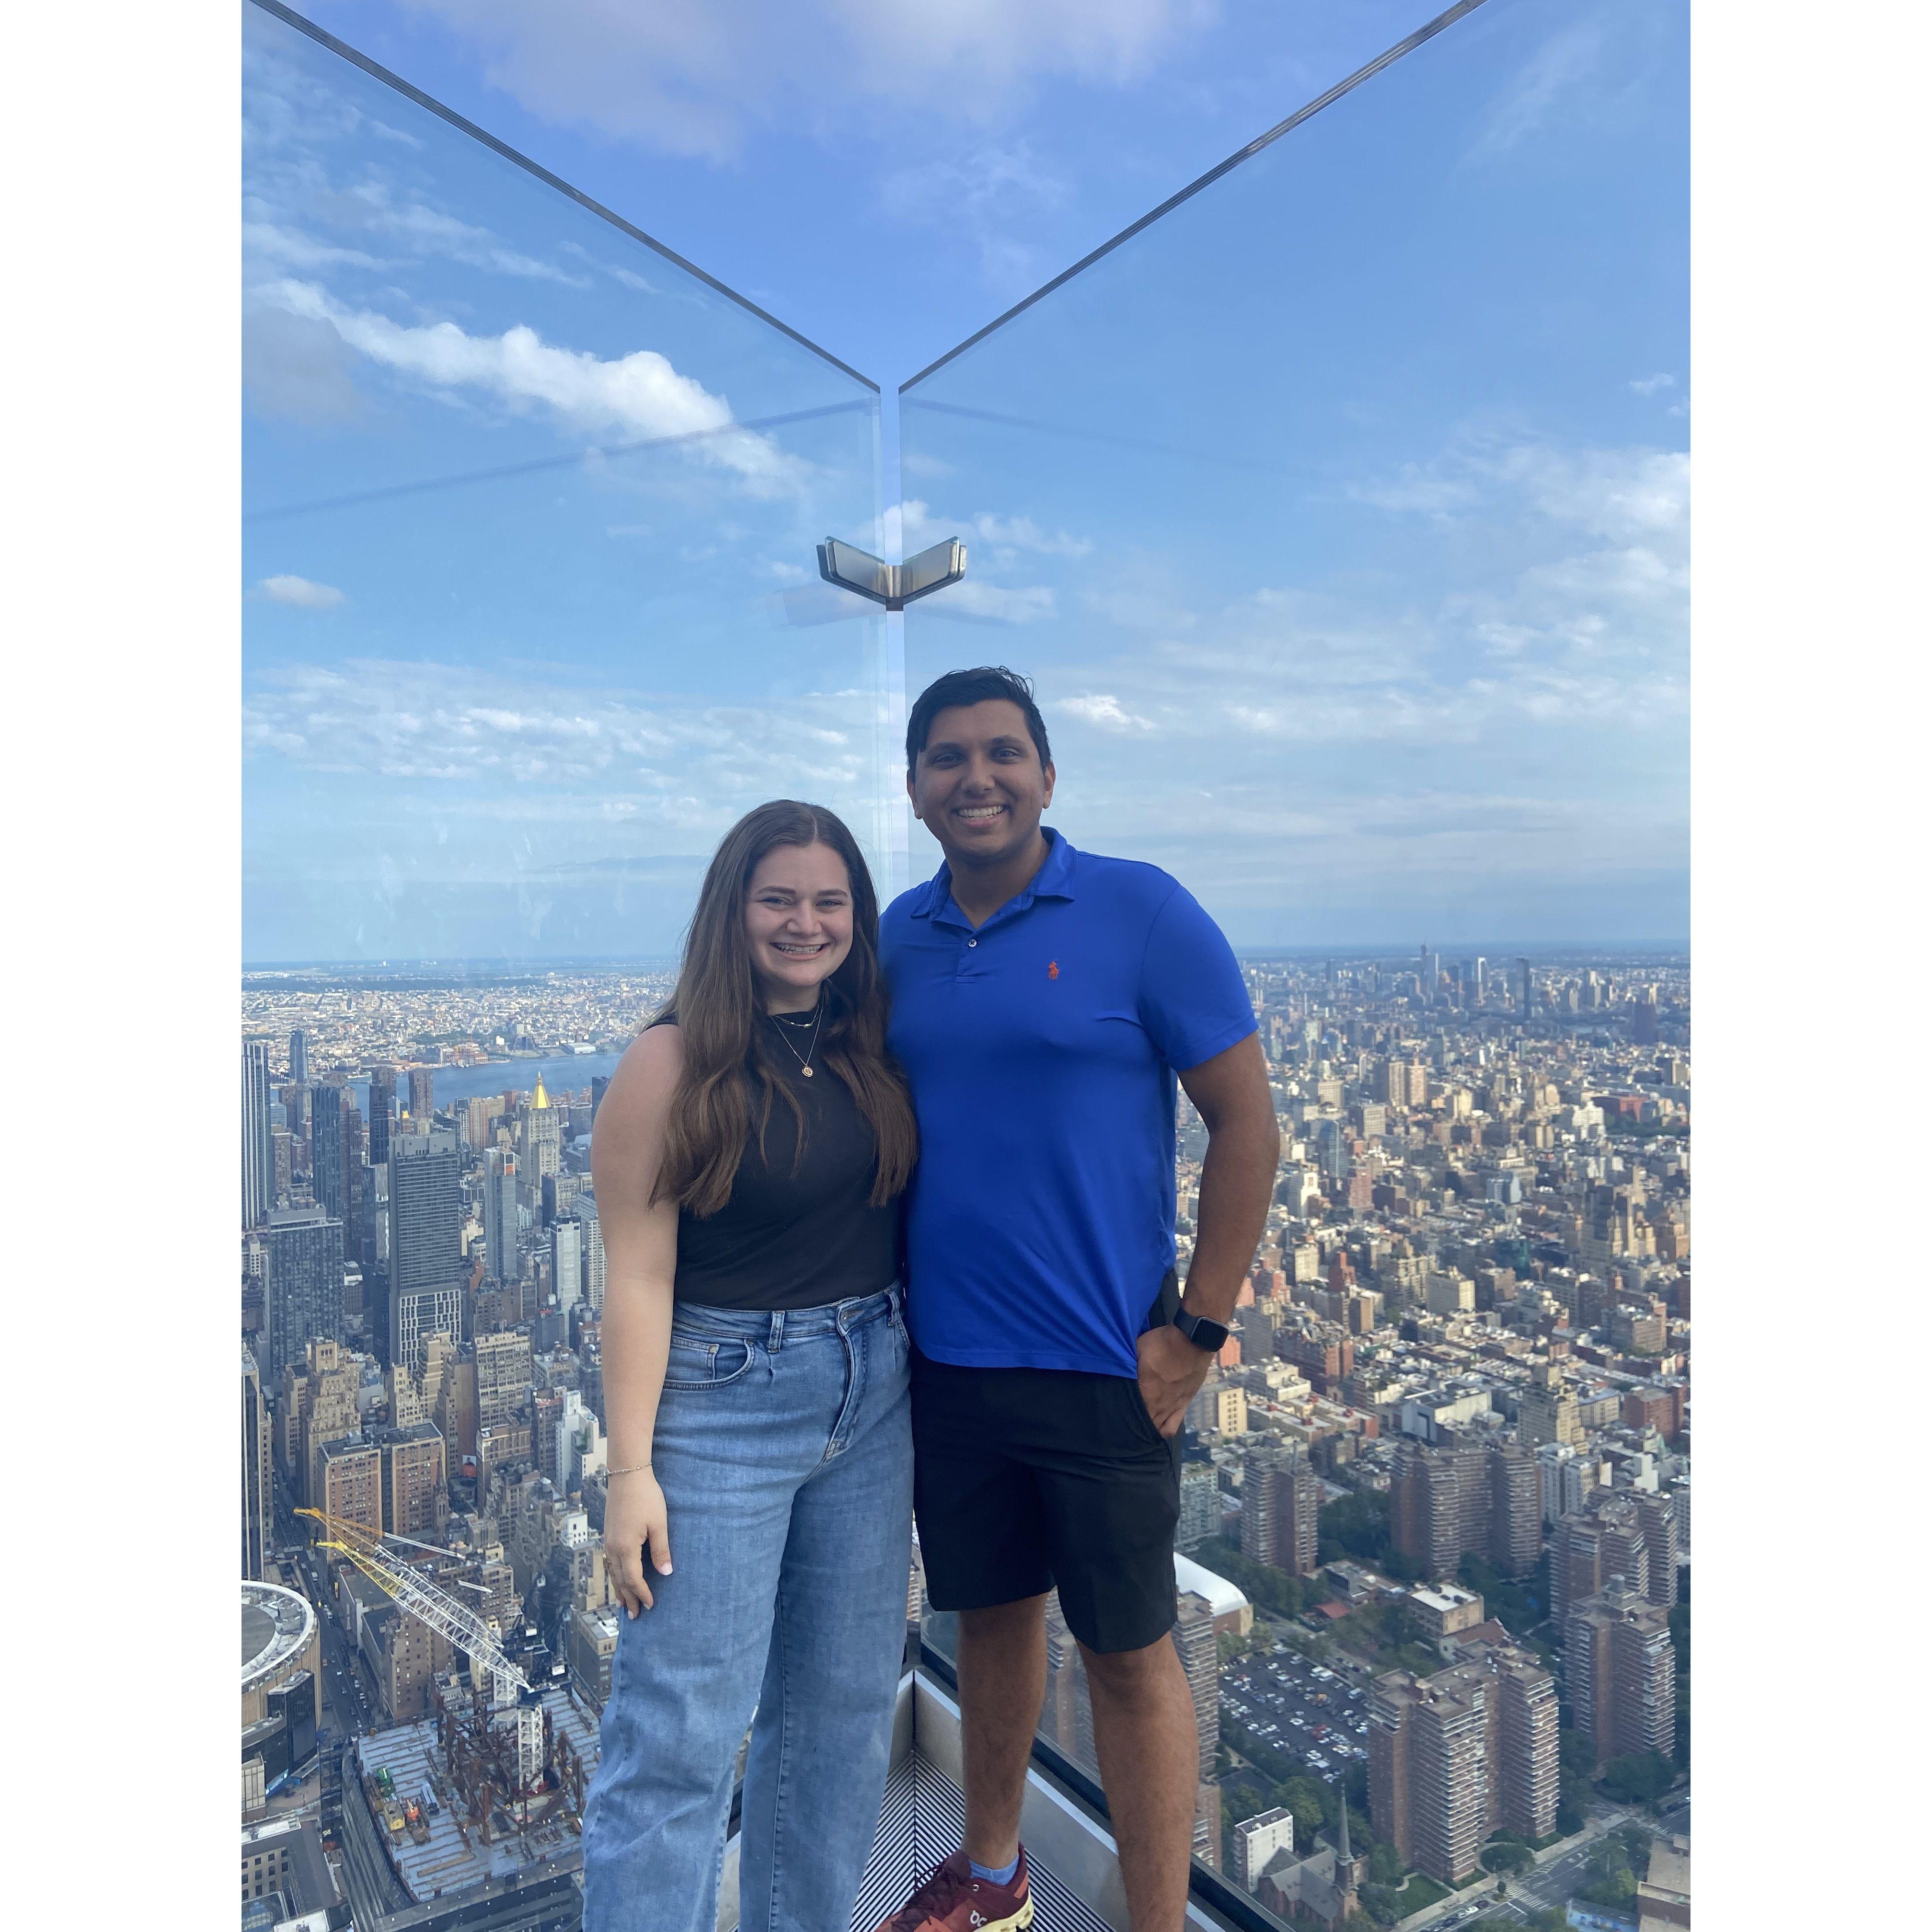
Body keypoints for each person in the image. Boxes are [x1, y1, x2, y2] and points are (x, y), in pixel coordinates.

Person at [872, 667, 1279, 1932]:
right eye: (947, 757)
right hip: (950, 1363)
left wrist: (1198, 1332)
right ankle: (995, 1879)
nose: (976, 777)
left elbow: (1247, 1125)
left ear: (1048, 776)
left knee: (1128, 1657)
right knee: (991, 1625)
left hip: (1108, 1365)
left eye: (1003, 752)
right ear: (915, 789)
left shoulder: (1140, 910)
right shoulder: (894, 938)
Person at [581, 800, 920, 1932]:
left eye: (829, 901)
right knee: (678, 1742)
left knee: (841, 1718)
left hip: (872, 1398)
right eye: (778, 899)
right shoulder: (669, 1060)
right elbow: (637, 1275)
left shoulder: (863, 1040)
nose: (805, 923)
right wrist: (630, 1472)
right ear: (732, 910)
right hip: (723, 1408)